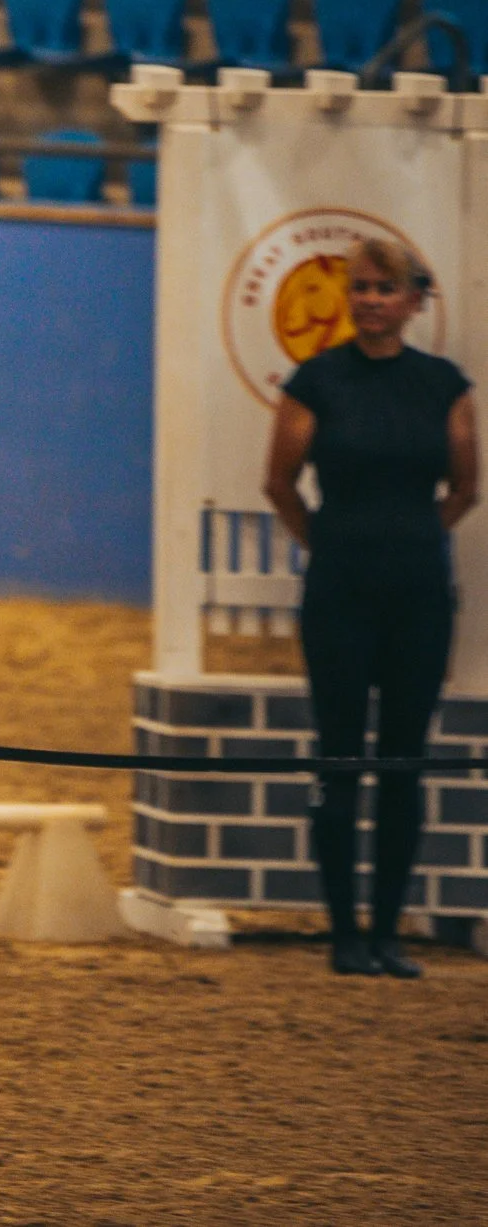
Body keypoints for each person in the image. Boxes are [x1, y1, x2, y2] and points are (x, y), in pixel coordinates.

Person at [263, 237, 476, 976]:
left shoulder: (443, 383)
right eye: (360, 287)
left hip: (419, 593)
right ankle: (344, 933)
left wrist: (412, 538)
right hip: (340, 592)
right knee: (341, 753)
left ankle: (389, 929)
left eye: (385, 288)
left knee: (404, 761)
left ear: (414, 299)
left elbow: (465, 487)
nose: (371, 300)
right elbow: (280, 482)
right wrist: (330, 542)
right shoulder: (315, 380)